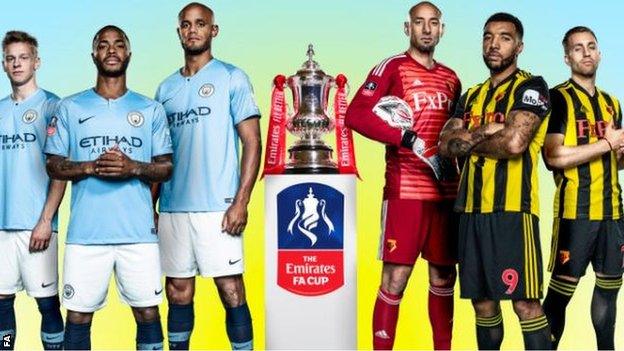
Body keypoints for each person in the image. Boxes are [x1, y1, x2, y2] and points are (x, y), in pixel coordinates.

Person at [44, 25, 173, 350]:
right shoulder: (71, 107)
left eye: (118, 45)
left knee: (147, 313)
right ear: (94, 55)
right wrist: (90, 166)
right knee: (78, 317)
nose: (111, 50)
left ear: (128, 54)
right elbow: (53, 165)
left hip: (138, 235)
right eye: (104, 45)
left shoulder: (150, 109)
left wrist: (132, 167)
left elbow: (166, 168)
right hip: (86, 235)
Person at [346, 2, 461, 349]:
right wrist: (405, 137)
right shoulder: (392, 67)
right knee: (396, 278)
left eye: (433, 23)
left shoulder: (452, 78)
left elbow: (457, 133)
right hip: (405, 192)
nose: (426, 29)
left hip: (446, 193)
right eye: (419, 23)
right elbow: (356, 115)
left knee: (444, 275)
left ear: (442, 29)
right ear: (407, 28)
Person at [438, 12, 552, 350]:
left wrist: (470, 138)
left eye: (504, 37)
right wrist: (489, 131)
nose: (494, 44)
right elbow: (445, 145)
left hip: (513, 213)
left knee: (525, 303)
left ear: (519, 46)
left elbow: (515, 144)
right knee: (483, 303)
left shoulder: (532, 86)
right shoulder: (471, 95)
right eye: (488, 36)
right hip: (470, 210)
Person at [152, 3, 261, 350]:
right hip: (173, 208)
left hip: (219, 207)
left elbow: (252, 142)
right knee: (177, 292)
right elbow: (158, 156)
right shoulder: (164, 89)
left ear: (213, 31)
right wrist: (150, 205)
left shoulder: (232, 77)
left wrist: (241, 201)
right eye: (186, 25)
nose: (193, 30)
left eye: (201, 24)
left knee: (230, 289)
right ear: (179, 32)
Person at [541, 26, 624, 350]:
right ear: (567, 57)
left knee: (609, 290)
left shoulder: (611, 103)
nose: (586, 52)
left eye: (591, 46)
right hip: (576, 213)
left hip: (613, 213)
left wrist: (618, 151)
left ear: (600, 53)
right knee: (561, 294)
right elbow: (553, 156)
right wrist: (606, 143)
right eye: (578, 48)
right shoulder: (558, 97)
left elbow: (614, 161)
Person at [0, 30, 65, 351]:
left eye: (23, 57)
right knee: (1, 301)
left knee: (47, 303)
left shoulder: (53, 106)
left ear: (36, 62)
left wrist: (46, 220)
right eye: (10, 58)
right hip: (1, 227)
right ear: (3, 64)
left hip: (37, 225)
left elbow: (60, 171)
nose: (17, 64)